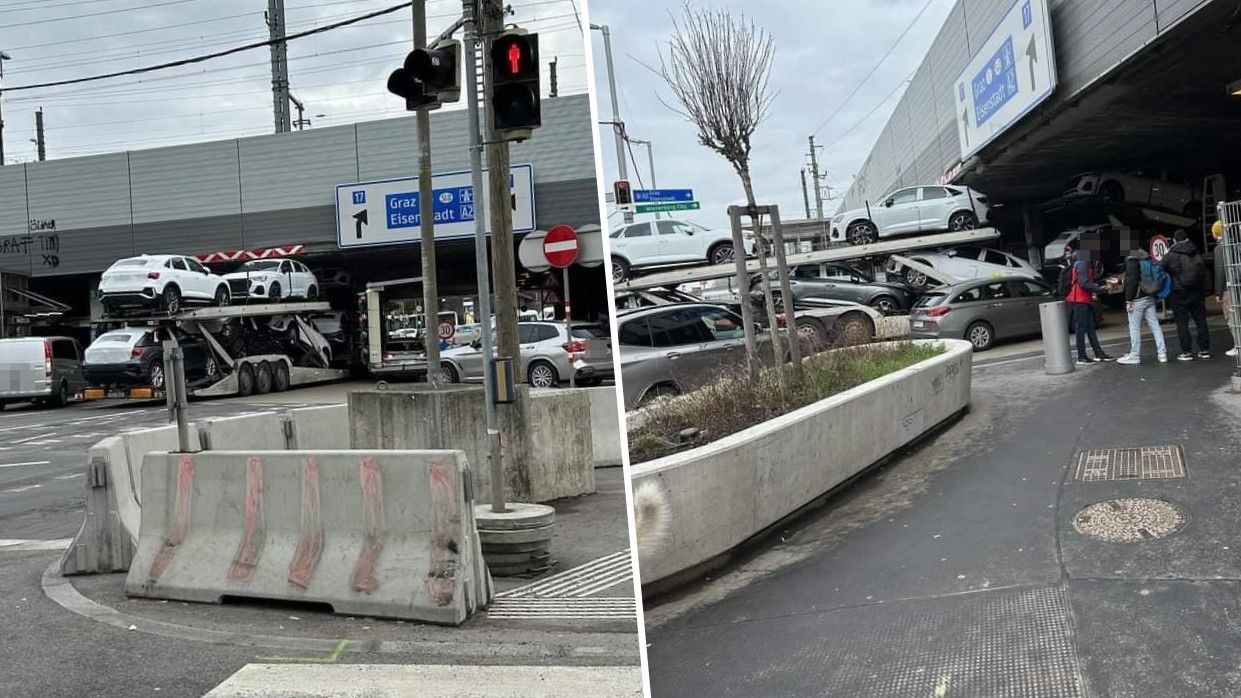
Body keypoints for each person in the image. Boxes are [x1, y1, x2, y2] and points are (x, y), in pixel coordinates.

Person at [1162, 229, 1211, 361]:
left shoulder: (1171, 254)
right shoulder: (1195, 250)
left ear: (1174, 240)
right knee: (1201, 321)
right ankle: (1204, 350)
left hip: (1179, 292)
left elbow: (1162, 266)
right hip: (1196, 290)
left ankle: (1187, 352)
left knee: (1182, 323)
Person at [1117, 245, 1167, 365]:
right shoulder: (1145, 257)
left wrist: (1128, 300)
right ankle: (1162, 353)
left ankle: (1135, 355)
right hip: (1149, 295)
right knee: (1155, 325)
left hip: (1138, 299)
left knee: (1134, 328)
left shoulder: (1131, 260)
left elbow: (1133, 281)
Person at [1065, 244, 1113, 364]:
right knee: (1082, 329)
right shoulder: (1083, 262)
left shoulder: (1082, 261)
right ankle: (1082, 357)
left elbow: (1084, 282)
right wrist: (1101, 289)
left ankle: (1098, 353)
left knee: (1088, 328)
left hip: (1083, 299)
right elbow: (1083, 283)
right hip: (1081, 300)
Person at [1214, 220, 1237, 358]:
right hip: (1237, 285)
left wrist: (1218, 292)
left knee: (1231, 317)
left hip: (1228, 288)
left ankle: (1238, 345)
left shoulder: (1219, 249)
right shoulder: (1234, 244)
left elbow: (1220, 271)